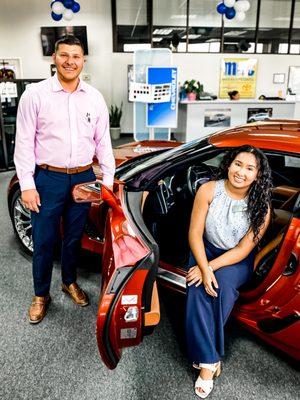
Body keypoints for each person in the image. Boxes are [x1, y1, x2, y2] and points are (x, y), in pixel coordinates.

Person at [14, 35, 115, 324]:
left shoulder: (94, 97)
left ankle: (68, 281)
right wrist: (27, 185)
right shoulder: (35, 94)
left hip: (83, 177)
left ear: (84, 60)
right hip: (48, 178)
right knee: (44, 240)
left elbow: (103, 142)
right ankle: (40, 294)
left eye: (76, 56)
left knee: (73, 237)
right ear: (54, 58)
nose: (70, 61)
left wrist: (106, 181)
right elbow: (23, 143)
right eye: (64, 55)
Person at [186, 145, 272, 398]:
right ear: (229, 164)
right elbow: (194, 233)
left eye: (249, 168)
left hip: (235, 258)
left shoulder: (261, 207)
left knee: (219, 289)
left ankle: (204, 357)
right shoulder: (208, 189)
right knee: (197, 286)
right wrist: (203, 265)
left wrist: (210, 269)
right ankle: (210, 361)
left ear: (257, 175)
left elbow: (244, 249)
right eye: (238, 164)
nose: (241, 172)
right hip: (204, 248)